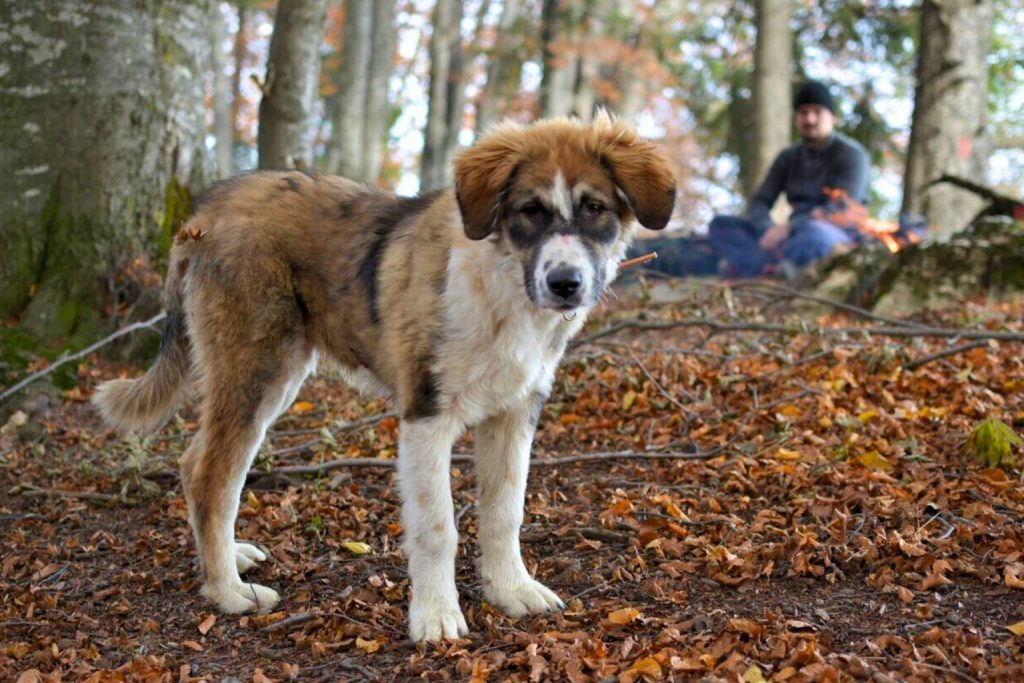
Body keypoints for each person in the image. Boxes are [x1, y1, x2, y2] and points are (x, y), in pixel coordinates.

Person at [709, 79, 870, 278]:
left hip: (832, 233)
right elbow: (760, 201)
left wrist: (790, 228)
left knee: (814, 235)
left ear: (832, 117)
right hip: (786, 237)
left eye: (817, 112)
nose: (810, 119)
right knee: (722, 225)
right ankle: (771, 268)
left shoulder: (852, 155)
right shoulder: (788, 157)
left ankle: (764, 266)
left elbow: (841, 208)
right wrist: (767, 230)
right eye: (803, 112)